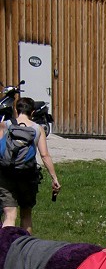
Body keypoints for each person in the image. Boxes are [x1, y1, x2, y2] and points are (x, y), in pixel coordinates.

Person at [0, 97, 60, 234]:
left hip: (6, 174)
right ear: (32, 112)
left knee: (9, 215)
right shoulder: (37, 129)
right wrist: (54, 178)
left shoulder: (5, 125)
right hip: (27, 175)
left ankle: (4, 249)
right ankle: (24, 249)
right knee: (26, 215)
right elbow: (44, 155)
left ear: (16, 109)